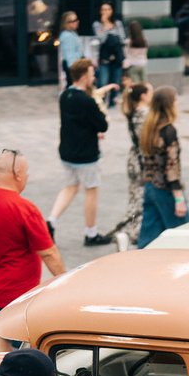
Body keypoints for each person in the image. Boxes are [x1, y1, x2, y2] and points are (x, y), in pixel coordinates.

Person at [0, 149, 65, 351]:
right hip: (16, 297)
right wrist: (66, 282)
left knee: (2, 335)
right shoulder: (24, 208)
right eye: (26, 173)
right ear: (17, 174)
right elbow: (49, 253)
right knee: (34, 346)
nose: (27, 178)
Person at [47, 58, 112, 248]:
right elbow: (103, 125)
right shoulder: (87, 101)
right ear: (84, 77)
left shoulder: (64, 95)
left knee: (70, 187)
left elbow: (77, 122)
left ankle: (51, 220)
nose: (94, 77)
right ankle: (91, 233)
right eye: (92, 74)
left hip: (67, 151)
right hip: (85, 154)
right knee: (91, 191)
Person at [137, 85, 189, 248]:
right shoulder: (168, 131)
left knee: (149, 240)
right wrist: (179, 198)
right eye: (176, 100)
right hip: (166, 190)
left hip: (150, 187)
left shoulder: (149, 127)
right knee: (187, 236)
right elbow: (171, 167)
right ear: (169, 105)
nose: (178, 104)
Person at [113, 81, 152, 250]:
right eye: (151, 91)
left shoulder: (134, 111)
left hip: (134, 159)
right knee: (139, 199)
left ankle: (130, 230)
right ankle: (131, 233)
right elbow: (148, 142)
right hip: (143, 162)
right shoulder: (145, 114)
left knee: (135, 196)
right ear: (143, 95)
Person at [92, 1, 126, 107]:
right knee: (103, 80)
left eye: (108, 9)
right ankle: (101, 101)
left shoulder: (118, 23)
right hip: (104, 56)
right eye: (103, 10)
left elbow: (122, 38)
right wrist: (105, 26)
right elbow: (101, 39)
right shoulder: (97, 24)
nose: (105, 12)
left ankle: (113, 101)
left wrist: (110, 34)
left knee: (116, 80)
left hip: (117, 55)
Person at [58, 10, 82, 86]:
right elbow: (70, 56)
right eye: (73, 20)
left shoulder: (72, 33)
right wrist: (75, 71)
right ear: (67, 23)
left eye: (77, 19)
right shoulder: (67, 35)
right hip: (73, 66)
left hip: (74, 65)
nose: (77, 22)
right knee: (73, 87)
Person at [124, 20, 149, 84]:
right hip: (142, 64)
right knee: (144, 84)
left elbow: (126, 54)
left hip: (133, 65)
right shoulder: (144, 41)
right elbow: (145, 53)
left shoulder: (128, 42)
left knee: (136, 85)